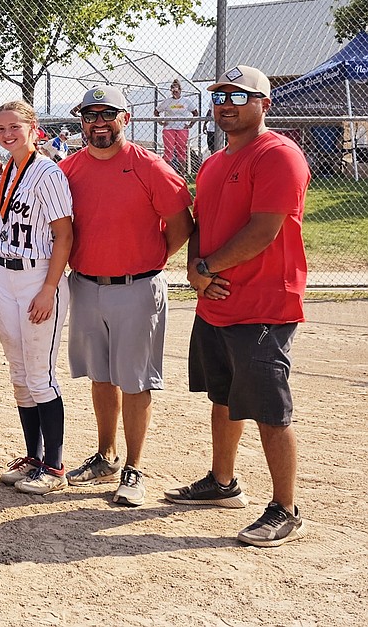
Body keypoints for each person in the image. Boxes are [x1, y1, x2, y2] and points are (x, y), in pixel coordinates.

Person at [166, 65, 311, 548]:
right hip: (215, 302)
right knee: (223, 397)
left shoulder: (278, 155)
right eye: (219, 95)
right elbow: (199, 222)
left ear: (263, 104)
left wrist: (207, 266)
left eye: (238, 95)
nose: (225, 103)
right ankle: (222, 483)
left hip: (264, 305)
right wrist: (195, 269)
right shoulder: (212, 162)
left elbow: (264, 229)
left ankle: (286, 509)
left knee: (270, 408)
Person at [59, 86, 193, 507]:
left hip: (137, 287)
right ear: (81, 121)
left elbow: (180, 225)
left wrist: (146, 260)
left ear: (126, 118)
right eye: (90, 115)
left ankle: (134, 466)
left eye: (108, 114)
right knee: (101, 375)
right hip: (85, 284)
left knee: (134, 379)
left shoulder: (149, 166)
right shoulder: (68, 169)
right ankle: (106, 455)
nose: (99, 122)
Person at [0, 100, 74, 496]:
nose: (7, 134)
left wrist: (49, 287)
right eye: (0, 128)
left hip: (37, 274)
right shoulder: (6, 169)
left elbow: (65, 234)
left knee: (40, 375)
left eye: (14, 127)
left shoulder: (46, 171)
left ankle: (54, 466)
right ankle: (34, 457)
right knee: (19, 374)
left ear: (33, 128)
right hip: (3, 275)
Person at [155, 79, 197, 174]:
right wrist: (161, 122)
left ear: (180, 90)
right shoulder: (167, 102)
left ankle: (182, 172)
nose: (175, 92)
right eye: (173, 90)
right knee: (168, 150)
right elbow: (156, 111)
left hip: (182, 128)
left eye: (176, 90)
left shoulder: (186, 101)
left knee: (181, 149)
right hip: (169, 128)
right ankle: (167, 172)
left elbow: (195, 113)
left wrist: (190, 124)